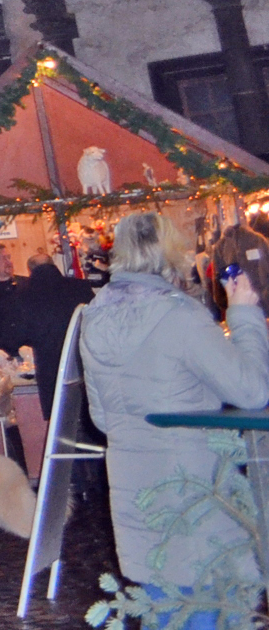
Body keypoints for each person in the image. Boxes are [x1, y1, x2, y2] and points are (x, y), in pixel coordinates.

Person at [81, 209, 269, 626]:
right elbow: (252, 390)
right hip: (195, 492)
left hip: (133, 487)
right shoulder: (180, 315)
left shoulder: (93, 316)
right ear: (171, 251)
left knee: (162, 603)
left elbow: (102, 416)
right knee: (208, 604)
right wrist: (243, 313)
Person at [15, 253, 96, 421]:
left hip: (49, 366)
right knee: (87, 415)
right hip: (84, 362)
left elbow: (19, 334)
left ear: (31, 270)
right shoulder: (80, 287)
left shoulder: (23, 294)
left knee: (60, 420)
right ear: (53, 265)